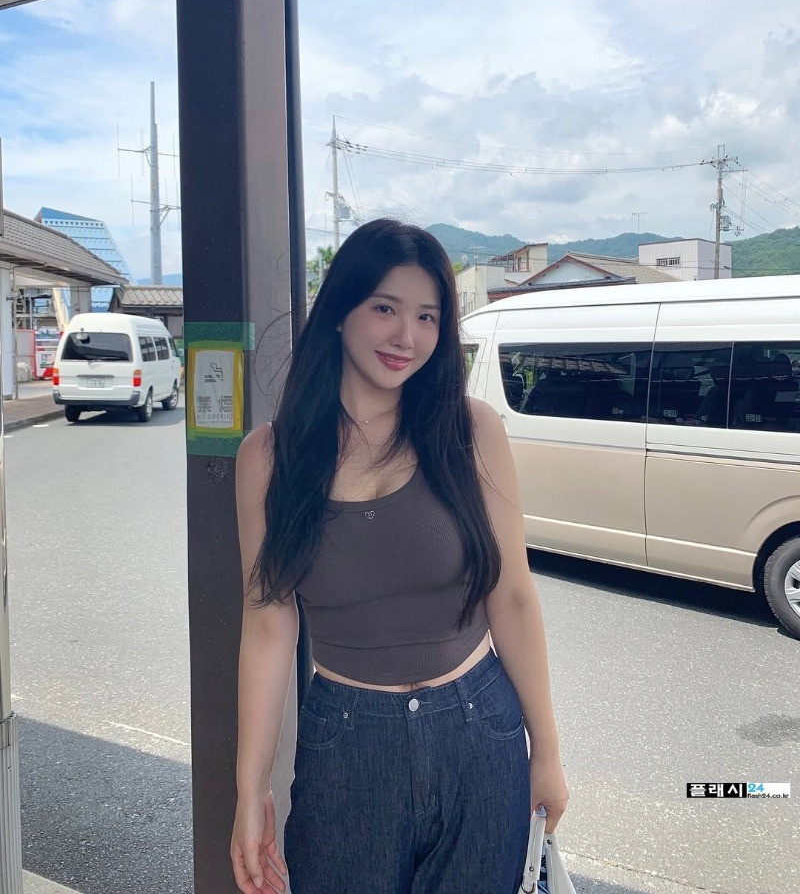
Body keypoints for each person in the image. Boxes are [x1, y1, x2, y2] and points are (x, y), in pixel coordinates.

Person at [230, 218, 569, 894]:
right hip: (346, 743)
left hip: (481, 733)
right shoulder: (268, 458)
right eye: (385, 308)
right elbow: (268, 626)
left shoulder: (470, 432)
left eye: (426, 316)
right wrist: (250, 790)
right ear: (340, 311)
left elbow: (513, 598)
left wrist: (547, 752)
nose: (406, 337)